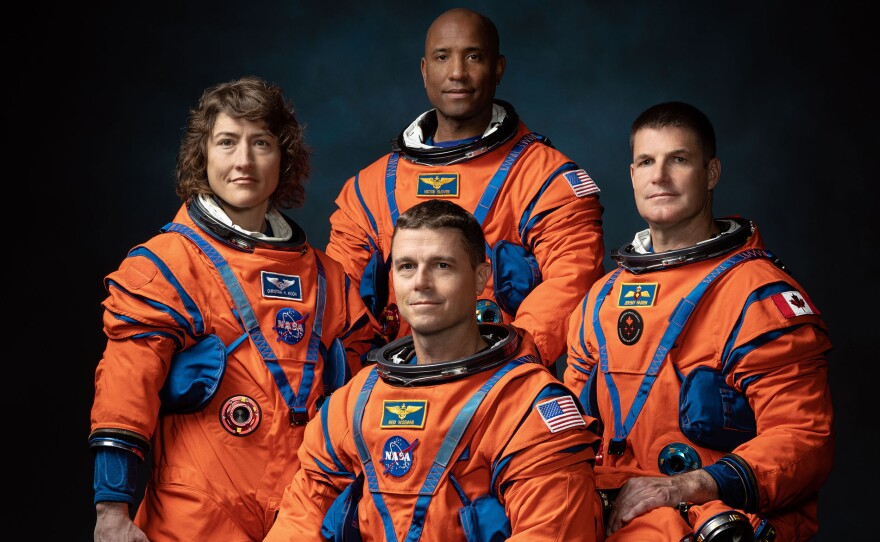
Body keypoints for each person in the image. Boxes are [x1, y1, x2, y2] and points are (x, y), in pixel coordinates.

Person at [89, 76, 379, 541]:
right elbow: (126, 387)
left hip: (304, 515)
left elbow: (365, 403)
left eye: (261, 143)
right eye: (227, 142)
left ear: (283, 157)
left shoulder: (328, 280)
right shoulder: (168, 264)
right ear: (202, 156)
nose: (244, 161)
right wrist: (111, 512)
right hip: (196, 514)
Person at [563, 101, 834, 541]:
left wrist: (690, 484)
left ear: (711, 174)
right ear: (632, 175)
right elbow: (570, 430)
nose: (660, 176)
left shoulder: (758, 295)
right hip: (614, 513)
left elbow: (804, 437)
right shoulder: (601, 298)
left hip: (712, 514)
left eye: (679, 160)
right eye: (647, 161)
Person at [265, 198, 602, 541]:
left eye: (442, 265)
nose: (421, 282)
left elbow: (549, 533)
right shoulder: (356, 400)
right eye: (406, 266)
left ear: (480, 276)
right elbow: (299, 520)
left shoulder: (528, 407)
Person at [325, 7, 605, 367]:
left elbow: (572, 281)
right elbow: (338, 297)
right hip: (392, 387)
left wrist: (505, 366)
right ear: (425, 71)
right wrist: (364, 380)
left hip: (499, 387)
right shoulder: (370, 189)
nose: (457, 73)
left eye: (473, 56)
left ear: (498, 68)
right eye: (443, 57)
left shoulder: (545, 178)